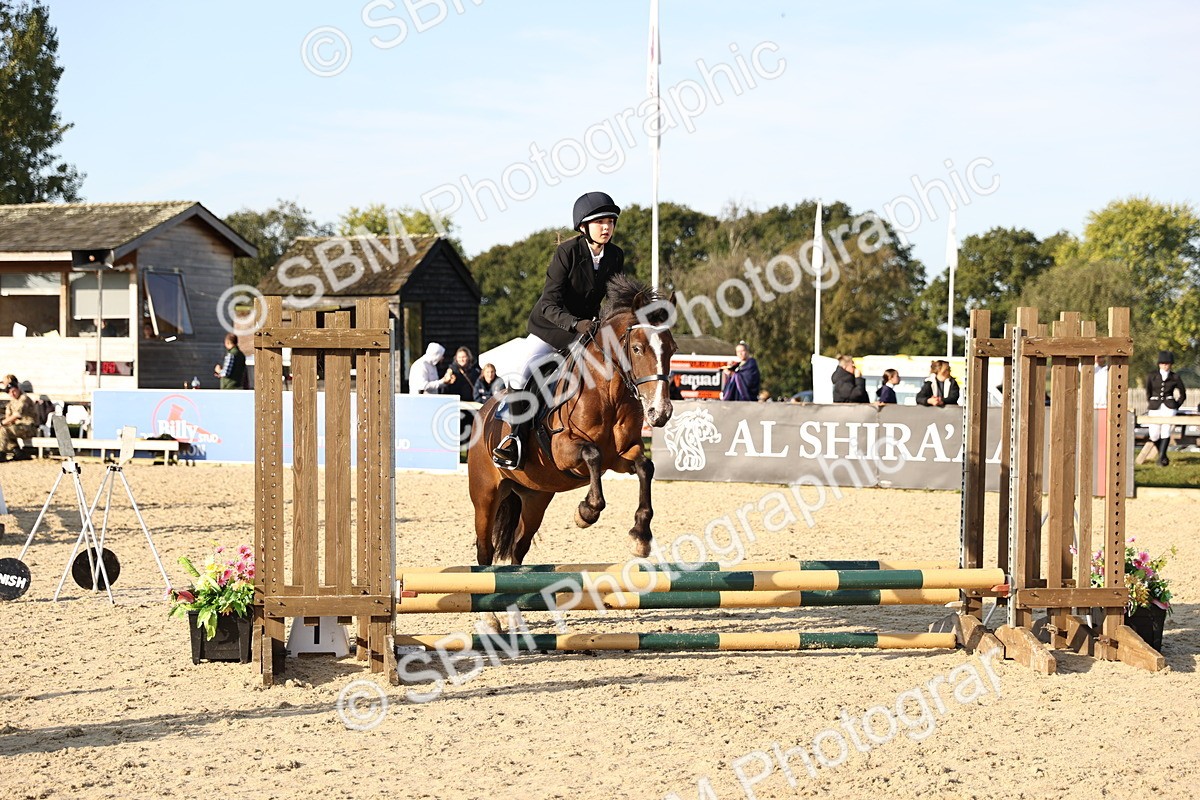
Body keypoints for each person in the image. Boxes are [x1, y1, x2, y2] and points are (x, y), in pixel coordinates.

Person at [491, 191, 625, 468]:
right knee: (522, 370)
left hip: (587, 330)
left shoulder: (615, 255)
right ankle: (513, 440)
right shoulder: (567, 252)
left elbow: (612, 298)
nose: (607, 227)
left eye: (610, 221)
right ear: (583, 227)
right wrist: (575, 324)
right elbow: (550, 302)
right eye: (600, 222)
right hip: (551, 326)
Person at [1146, 350, 1186, 467]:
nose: (1165, 365)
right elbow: (1148, 392)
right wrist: (1152, 402)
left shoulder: (1175, 377)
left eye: (1167, 363)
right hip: (1155, 406)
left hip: (1169, 407)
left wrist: (1176, 406)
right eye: (1163, 363)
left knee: (1166, 431)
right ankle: (1163, 455)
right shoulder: (1152, 376)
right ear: (1159, 364)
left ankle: (1161, 459)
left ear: (1171, 364)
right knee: (1153, 434)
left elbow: (1183, 394)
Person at [1, 378, 37, 459]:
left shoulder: (23, 398)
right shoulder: (12, 401)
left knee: (4, 430)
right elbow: (8, 416)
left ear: (18, 389)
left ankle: (1, 453)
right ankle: (18, 452)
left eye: (14, 391)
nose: (12, 394)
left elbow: (16, 415)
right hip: (18, 427)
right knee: (4, 429)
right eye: (10, 392)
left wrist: (2, 423)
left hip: (28, 427)